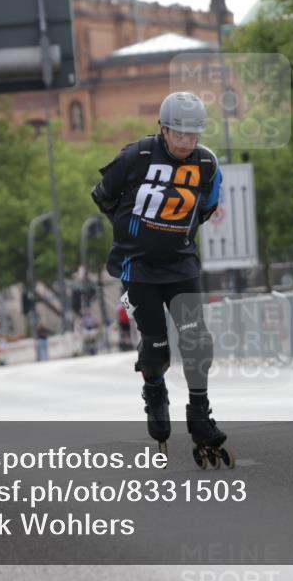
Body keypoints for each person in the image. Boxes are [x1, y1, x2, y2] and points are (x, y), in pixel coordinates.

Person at [90, 91, 232, 467]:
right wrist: (130, 233)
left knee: (196, 339)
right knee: (155, 350)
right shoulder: (135, 155)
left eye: (193, 135)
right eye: (179, 134)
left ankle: (200, 416)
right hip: (137, 269)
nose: (186, 142)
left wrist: (175, 233)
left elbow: (207, 207)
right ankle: (154, 390)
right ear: (164, 129)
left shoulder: (206, 163)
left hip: (181, 265)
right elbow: (102, 196)